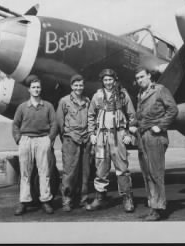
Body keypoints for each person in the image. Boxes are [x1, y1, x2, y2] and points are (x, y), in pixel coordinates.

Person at [85, 68, 136, 212]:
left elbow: (132, 115)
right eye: (105, 80)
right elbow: (90, 115)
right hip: (101, 136)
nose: (108, 82)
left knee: (122, 168)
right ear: (102, 81)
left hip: (118, 135)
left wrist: (127, 134)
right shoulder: (97, 96)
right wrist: (92, 134)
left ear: (115, 80)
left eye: (110, 80)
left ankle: (127, 197)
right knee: (101, 167)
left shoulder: (122, 95)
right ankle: (100, 198)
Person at [131, 67, 178, 221]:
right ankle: (153, 206)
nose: (139, 80)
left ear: (149, 76)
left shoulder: (160, 90)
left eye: (142, 77)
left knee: (155, 173)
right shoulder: (140, 94)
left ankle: (158, 208)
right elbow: (140, 115)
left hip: (155, 136)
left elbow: (173, 109)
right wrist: (133, 124)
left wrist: (161, 126)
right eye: (137, 78)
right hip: (143, 136)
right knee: (147, 174)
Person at [12, 75, 58, 215]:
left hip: (43, 140)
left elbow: (54, 124)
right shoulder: (22, 107)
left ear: (41, 89)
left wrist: (50, 139)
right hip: (26, 140)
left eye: (38, 87)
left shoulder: (48, 106)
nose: (36, 90)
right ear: (29, 90)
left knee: (44, 172)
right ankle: (24, 202)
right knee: (25, 172)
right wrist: (18, 139)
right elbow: (15, 124)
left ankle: (45, 200)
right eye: (33, 87)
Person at [56, 74, 91, 212]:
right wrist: (66, 138)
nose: (78, 88)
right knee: (69, 172)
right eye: (76, 85)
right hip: (71, 140)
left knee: (85, 173)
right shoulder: (64, 101)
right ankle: (67, 200)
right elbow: (60, 122)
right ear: (71, 86)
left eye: (81, 85)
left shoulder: (87, 101)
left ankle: (83, 199)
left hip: (85, 140)